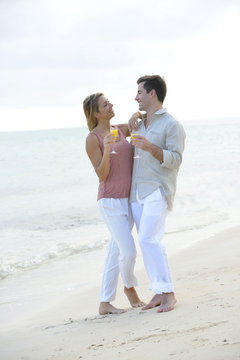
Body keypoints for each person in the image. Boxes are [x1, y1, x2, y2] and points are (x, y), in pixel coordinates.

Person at [128, 75, 186, 313]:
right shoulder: (139, 123)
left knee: (149, 239)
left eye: (140, 92)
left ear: (152, 93)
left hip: (157, 189)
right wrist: (132, 121)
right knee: (146, 243)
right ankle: (159, 291)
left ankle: (169, 292)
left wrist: (151, 147)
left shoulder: (172, 125)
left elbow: (175, 159)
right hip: (136, 192)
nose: (136, 97)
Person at [83, 92, 144, 315]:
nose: (110, 106)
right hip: (110, 201)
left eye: (109, 103)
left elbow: (138, 122)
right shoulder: (92, 139)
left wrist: (138, 113)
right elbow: (102, 174)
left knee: (114, 252)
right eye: (105, 104)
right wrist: (107, 148)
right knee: (128, 252)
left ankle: (105, 303)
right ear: (96, 113)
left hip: (128, 200)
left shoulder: (119, 129)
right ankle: (129, 288)